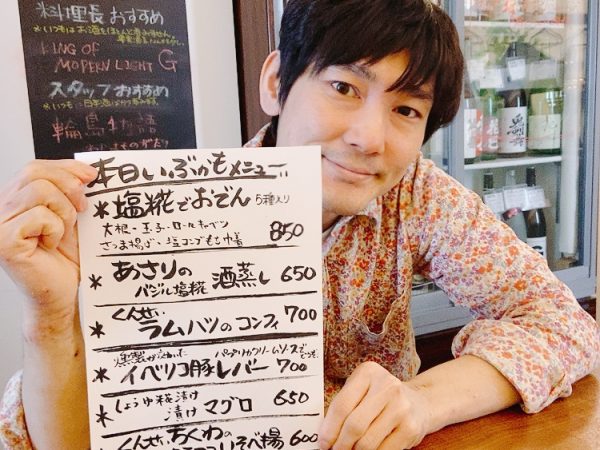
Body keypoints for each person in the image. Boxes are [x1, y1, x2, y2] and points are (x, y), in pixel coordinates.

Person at [1, 0, 598, 448]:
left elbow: (562, 323)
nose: (369, 137)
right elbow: (61, 439)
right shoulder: (164, 215)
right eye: (343, 86)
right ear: (275, 83)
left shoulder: (415, 194)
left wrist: (421, 402)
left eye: (406, 109)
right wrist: (50, 318)